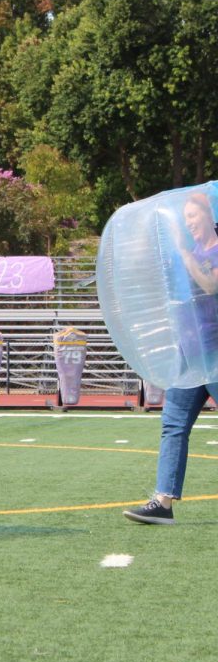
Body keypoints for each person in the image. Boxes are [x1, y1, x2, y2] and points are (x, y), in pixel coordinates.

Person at [125, 191, 218, 525]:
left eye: (194, 216)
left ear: (209, 216)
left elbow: (210, 285)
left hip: (216, 356)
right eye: (186, 217)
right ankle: (163, 501)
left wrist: (181, 250)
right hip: (190, 355)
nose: (189, 222)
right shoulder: (187, 254)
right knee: (174, 425)